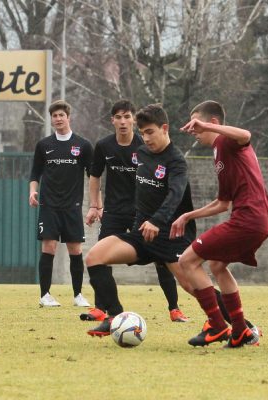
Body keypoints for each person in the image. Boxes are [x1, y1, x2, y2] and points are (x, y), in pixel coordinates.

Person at [84, 103, 199, 337]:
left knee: (193, 287)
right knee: (95, 257)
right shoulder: (142, 154)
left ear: (164, 128)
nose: (145, 138)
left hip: (168, 237)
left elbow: (175, 195)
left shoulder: (176, 161)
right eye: (143, 132)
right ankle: (114, 316)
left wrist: (157, 220)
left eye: (150, 132)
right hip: (141, 233)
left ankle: (241, 325)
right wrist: (98, 206)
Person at [172, 100, 268, 348]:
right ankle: (240, 332)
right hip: (256, 218)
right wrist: (187, 215)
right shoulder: (219, 152)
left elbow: (246, 135)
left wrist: (208, 125)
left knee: (187, 261)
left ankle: (217, 325)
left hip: (250, 218)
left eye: (197, 124)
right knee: (217, 265)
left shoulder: (227, 141)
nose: (194, 130)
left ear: (213, 123)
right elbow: (222, 203)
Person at [29, 100, 93, 308]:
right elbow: (35, 172)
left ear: (68, 117)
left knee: (75, 249)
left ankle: (78, 295)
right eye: (54, 116)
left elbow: (93, 176)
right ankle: (44, 295)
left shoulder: (83, 145)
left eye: (61, 115)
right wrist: (33, 192)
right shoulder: (44, 145)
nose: (57, 119)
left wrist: (95, 203)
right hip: (48, 205)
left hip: (72, 206)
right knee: (49, 247)